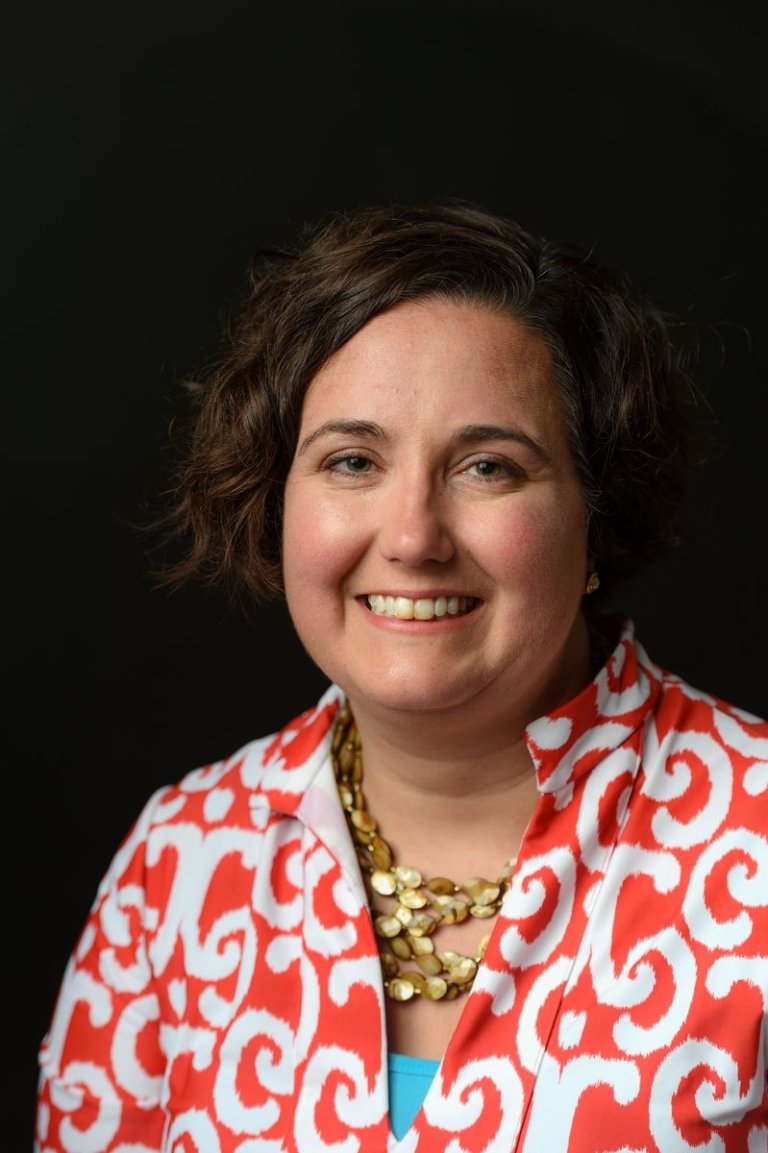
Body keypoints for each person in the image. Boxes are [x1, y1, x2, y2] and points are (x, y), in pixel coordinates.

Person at [35, 200, 768, 1153]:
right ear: (278, 503)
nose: (414, 535)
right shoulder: (179, 862)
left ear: (600, 512)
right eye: (352, 460)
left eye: (488, 467)